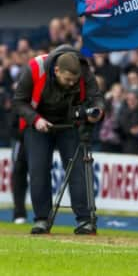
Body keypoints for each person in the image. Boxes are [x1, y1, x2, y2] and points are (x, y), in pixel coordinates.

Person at [13, 45, 104, 235]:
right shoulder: (34, 69)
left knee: (77, 169)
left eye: (74, 80)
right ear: (56, 71)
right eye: (67, 79)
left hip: (69, 124)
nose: (71, 84)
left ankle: (85, 220)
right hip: (38, 123)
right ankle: (41, 219)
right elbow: (19, 101)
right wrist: (35, 120)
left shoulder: (83, 70)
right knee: (38, 169)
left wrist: (97, 113)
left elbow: (96, 98)